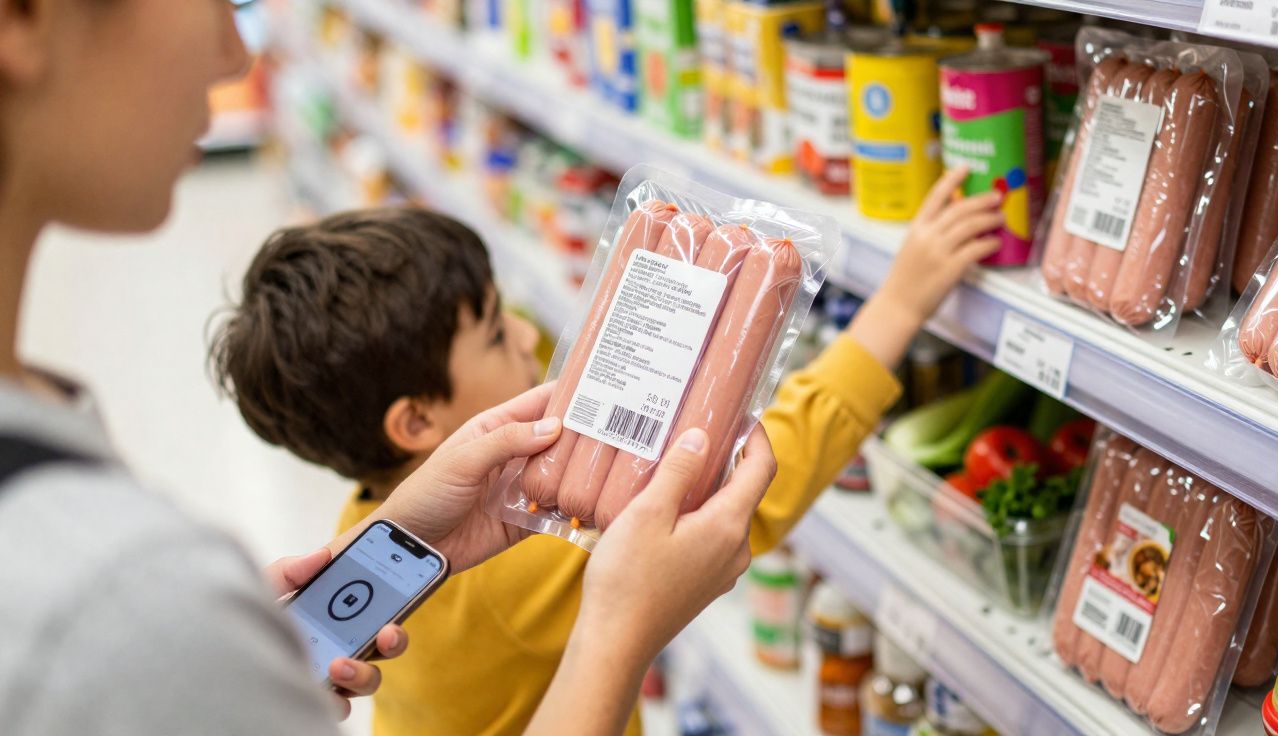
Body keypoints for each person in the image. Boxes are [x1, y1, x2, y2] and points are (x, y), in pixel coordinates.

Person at [0, 1, 775, 734]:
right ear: (22, 15)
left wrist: (298, 627)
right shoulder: (107, 591)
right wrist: (620, 629)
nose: (236, 51)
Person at [210, 166, 1002, 734]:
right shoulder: (520, 562)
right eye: (493, 330)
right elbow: (744, 489)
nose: (527, 333)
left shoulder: (384, 529)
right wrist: (898, 306)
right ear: (415, 424)